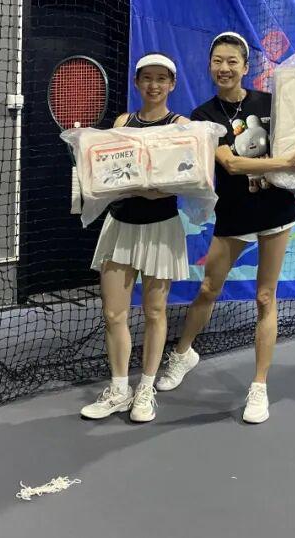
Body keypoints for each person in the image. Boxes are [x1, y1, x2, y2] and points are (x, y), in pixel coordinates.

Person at [156, 32, 295, 423]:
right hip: (235, 211)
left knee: (266, 297)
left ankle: (259, 386)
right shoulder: (203, 116)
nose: (224, 68)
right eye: (217, 61)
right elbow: (232, 164)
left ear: (245, 67)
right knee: (209, 287)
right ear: (210, 66)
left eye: (232, 61)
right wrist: (284, 163)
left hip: (276, 209)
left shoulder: (270, 103)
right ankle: (183, 354)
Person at [80, 53, 189, 424]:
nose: (154, 85)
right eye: (147, 78)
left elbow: (183, 181)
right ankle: (118, 389)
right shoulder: (122, 123)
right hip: (120, 226)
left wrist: (145, 188)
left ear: (172, 84)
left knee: (155, 311)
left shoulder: (181, 126)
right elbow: (112, 176)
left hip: (161, 227)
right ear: (138, 82)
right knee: (113, 313)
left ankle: (145, 389)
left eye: (161, 79)